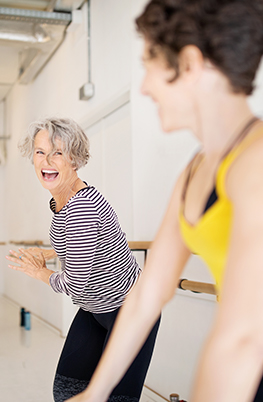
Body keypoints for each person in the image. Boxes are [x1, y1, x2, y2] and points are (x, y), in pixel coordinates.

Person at [57, 0, 263, 401]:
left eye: (150, 62)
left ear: (188, 64)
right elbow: (146, 295)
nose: (145, 86)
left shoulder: (255, 165)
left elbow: (243, 339)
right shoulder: (196, 170)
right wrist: (95, 392)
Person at [5, 117, 160, 402]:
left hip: (132, 311)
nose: (46, 161)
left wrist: (38, 271)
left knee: (117, 399)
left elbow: (75, 284)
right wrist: (53, 252)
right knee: (67, 392)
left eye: (58, 152)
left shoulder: (81, 209)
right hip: (95, 309)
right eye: (40, 152)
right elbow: (91, 239)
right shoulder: (63, 199)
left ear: (74, 159)